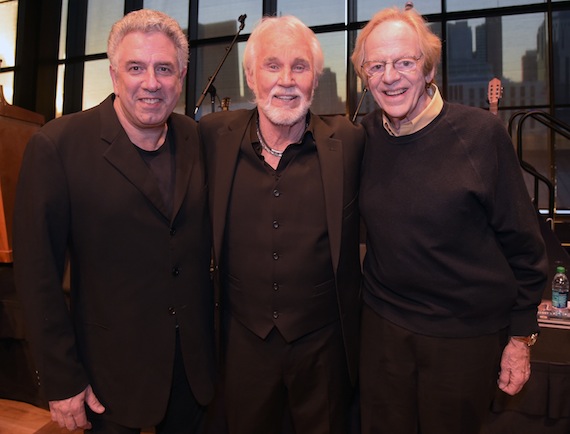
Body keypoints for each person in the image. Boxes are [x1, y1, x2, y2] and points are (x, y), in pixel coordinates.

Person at [13, 9, 215, 433]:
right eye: (136, 68)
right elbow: (37, 276)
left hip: (194, 375)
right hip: (105, 379)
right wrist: (61, 378)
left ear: (180, 75)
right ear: (113, 74)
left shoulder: (198, 140)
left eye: (164, 68)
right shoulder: (58, 145)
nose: (151, 82)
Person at [351, 6, 548, 434]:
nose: (390, 76)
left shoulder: (481, 134)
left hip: (464, 340)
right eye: (376, 65)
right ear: (364, 76)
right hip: (383, 335)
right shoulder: (361, 139)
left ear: (428, 69)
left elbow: (525, 245)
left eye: (405, 62)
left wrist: (520, 339)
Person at [199, 15, 364, 434]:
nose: (286, 80)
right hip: (241, 345)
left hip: (324, 347)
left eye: (300, 66)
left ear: (316, 78)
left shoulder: (349, 142)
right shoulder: (211, 138)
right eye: (272, 66)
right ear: (251, 76)